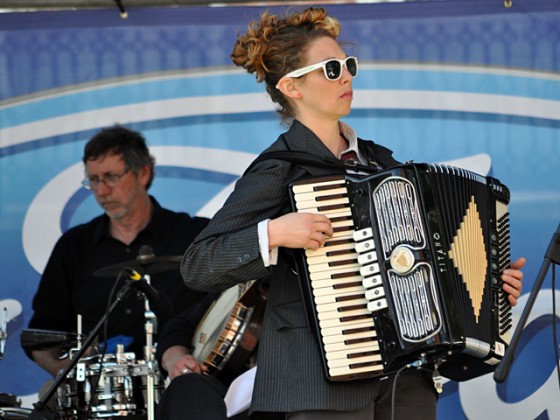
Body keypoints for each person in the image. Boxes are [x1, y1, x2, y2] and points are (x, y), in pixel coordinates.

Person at [180, 7, 526, 420]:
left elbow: (428, 265)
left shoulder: (382, 165)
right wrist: (273, 233)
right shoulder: (280, 167)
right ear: (292, 86)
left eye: (348, 65)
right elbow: (198, 265)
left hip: (406, 381)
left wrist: (490, 289)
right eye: (330, 68)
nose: (346, 76)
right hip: (320, 384)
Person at [26, 125, 209, 379]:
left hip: (179, 380)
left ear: (142, 173)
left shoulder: (195, 236)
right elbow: (42, 334)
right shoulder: (73, 246)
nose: (101, 191)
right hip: (99, 393)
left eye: (111, 177)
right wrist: (65, 373)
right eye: (93, 180)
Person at [155, 288, 257, 420]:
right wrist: (176, 359)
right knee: (187, 388)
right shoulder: (246, 284)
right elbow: (178, 327)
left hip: (274, 399)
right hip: (220, 397)